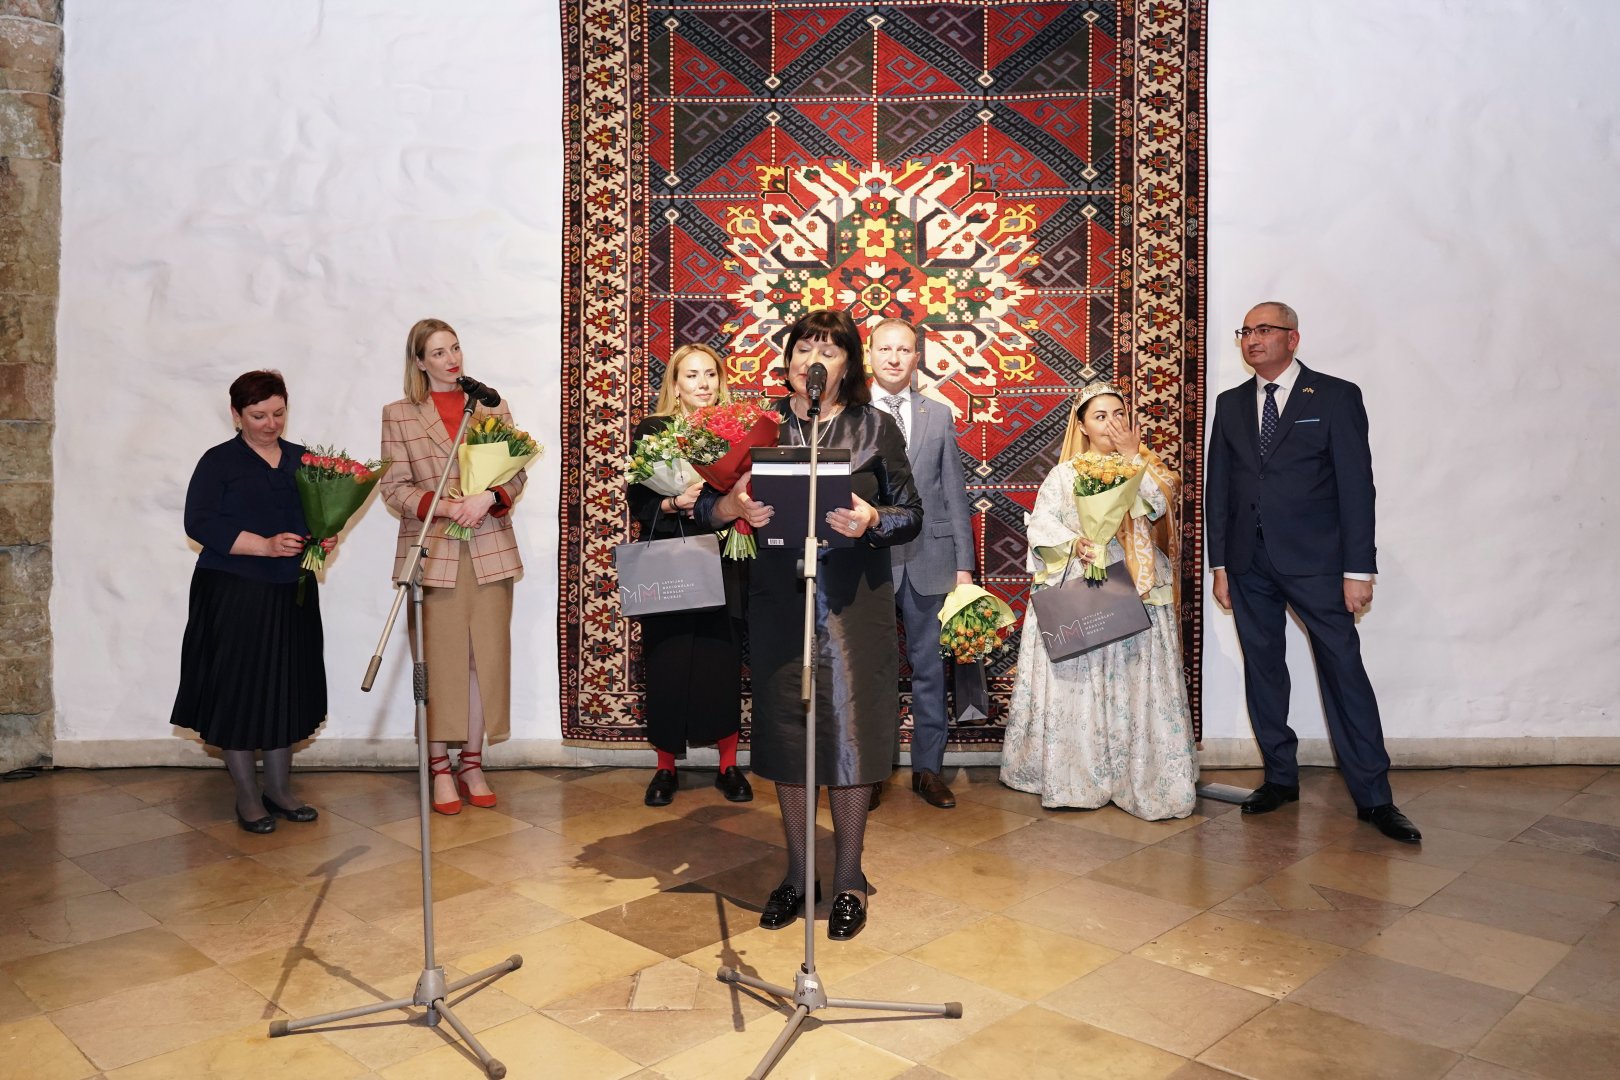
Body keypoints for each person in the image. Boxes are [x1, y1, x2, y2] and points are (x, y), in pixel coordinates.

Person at [696, 308, 922, 941]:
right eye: (803, 347)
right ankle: (797, 876)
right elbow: (713, 511)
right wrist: (733, 504)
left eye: (828, 349)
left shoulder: (875, 428)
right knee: (790, 739)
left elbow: (912, 515)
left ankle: (848, 879)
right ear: (788, 359)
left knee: (850, 738)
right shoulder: (757, 428)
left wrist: (873, 520)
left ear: (848, 363)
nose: (812, 359)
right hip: (778, 601)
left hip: (853, 604)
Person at [1205, 301, 1420, 842]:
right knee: (1265, 669)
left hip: (1319, 565)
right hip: (1249, 564)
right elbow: (1220, 491)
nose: (1253, 340)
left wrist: (1358, 568)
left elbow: (1356, 486)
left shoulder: (1334, 396)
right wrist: (1222, 564)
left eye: (1264, 330)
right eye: (1246, 332)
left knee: (1343, 672)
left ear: (1293, 339)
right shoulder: (1230, 404)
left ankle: (1375, 797)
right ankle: (1280, 778)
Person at [999, 383, 1198, 819]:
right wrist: (1076, 545)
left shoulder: (1148, 467)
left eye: (1118, 413)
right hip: (1083, 586)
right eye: (1100, 416)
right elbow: (1042, 526)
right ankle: (1078, 774)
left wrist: (1133, 459)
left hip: (1137, 585)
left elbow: (1162, 505)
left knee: (1134, 678)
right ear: (1083, 426)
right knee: (1079, 677)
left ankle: (1136, 774)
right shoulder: (1064, 474)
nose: (1111, 423)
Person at [379, 319, 527, 815]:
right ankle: (438, 767)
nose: (451, 359)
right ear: (420, 362)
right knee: (438, 664)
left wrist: (489, 497)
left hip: (489, 551)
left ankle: (473, 762)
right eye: (438, 352)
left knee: (482, 660)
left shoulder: (490, 404)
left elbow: (517, 470)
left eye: (456, 348)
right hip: (433, 550)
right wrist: (447, 506)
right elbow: (394, 489)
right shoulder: (399, 414)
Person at [172, 370, 325, 833]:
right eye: (258, 415)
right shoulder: (218, 462)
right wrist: (262, 545)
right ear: (236, 415)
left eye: (278, 413)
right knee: (238, 694)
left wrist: (322, 538)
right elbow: (198, 522)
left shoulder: (303, 460)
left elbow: (316, 517)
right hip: (233, 593)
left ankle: (278, 790)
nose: (270, 423)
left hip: (290, 594)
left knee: (284, 690)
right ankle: (246, 796)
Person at [627, 343, 752, 806]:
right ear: (675, 385)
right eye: (692, 376)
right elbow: (637, 501)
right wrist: (675, 501)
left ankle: (728, 765)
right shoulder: (654, 429)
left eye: (710, 375)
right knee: (669, 661)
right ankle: (664, 769)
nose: (703, 384)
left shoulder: (737, 431)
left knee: (723, 659)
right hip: (672, 558)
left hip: (726, 558)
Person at [866, 318, 974, 809]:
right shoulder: (850, 414)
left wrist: (965, 567)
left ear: (917, 357)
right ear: (868, 355)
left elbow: (954, 492)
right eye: (884, 348)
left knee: (930, 668)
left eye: (903, 349)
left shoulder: (939, 414)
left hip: (930, 558)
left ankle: (928, 769)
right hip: (867, 560)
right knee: (870, 672)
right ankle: (867, 773)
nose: (893, 357)